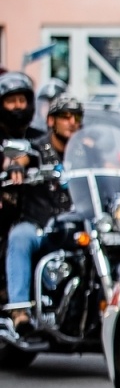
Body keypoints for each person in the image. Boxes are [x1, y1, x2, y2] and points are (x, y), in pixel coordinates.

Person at [5, 93, 82, 330]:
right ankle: (19, 310)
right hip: (40, 225)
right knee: (19, 237)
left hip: (74, 226)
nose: (72, 122)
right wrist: (16, 165)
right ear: (51, 121)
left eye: (76, 117)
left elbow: (109, 167)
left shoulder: (83, 153)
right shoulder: (38, 147)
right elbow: (21, 157)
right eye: (65, 116)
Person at [0, 71, 34, 305]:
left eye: (21, 100)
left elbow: (35, 153)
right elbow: (16, 159)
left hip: (33, 210)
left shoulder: (37, 136)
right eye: (11, 101)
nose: (17, 107)